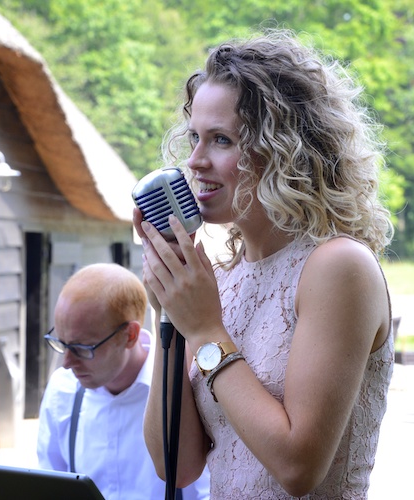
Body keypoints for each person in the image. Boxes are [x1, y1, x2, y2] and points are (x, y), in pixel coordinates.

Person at [136, 29, 395, 499]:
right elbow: (175, 463)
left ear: (283, 149)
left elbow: (297, 468)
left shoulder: (338, 268)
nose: (194, 161)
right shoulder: (225, 279)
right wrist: (170, 313)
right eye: (193, 137)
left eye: (221, 140)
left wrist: (207, 332)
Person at [36, 263, 210, 500]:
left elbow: (208, 492)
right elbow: (48, 487)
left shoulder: (187, 388)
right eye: (62, 343)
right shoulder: (61, 391)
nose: (66, 362)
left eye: (81, 348)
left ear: (130, 336)